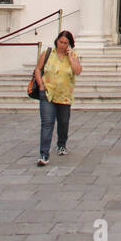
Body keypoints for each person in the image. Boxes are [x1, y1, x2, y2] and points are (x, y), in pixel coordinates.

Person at [34, 30, 82, 166]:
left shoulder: (72, 56)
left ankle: (61, 144)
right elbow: (38, 69)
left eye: (65, 43)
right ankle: (44, 154)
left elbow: (77, 71)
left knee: (63, 122)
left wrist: (71, 57)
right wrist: (41, 85)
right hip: (48, 93)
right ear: (56, 41)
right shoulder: (48, 54)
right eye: (60, 42)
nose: (62, 45)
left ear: (70, 44)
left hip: (64, 95)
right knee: (47, 123)